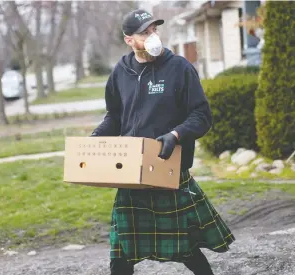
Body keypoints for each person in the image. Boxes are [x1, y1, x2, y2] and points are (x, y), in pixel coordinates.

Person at [91, 9, 235, 275]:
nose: (153, 36)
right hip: (133, 174)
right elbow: (115, 116)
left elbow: (201, 115)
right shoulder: (120, 73)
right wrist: (97, 138)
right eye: (145, 32)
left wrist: (176, 134)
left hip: (169, 170)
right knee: (122, 250)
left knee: (185, 246)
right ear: (129, 40)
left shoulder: (179, 68)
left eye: (154, 30)